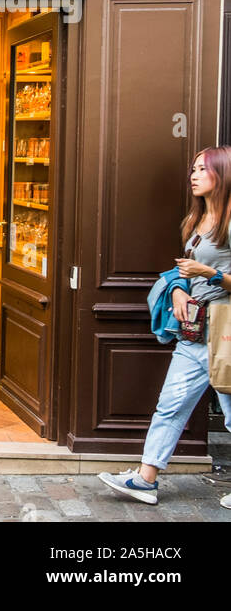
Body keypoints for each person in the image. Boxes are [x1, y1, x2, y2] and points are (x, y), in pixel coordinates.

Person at [99, 146, 231, 509]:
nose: (194, 174)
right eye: (193, 168)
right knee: (170, 405)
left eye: (203, 169)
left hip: (226, 336)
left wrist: (212, 274)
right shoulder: (195, 221)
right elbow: (183, 270)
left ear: (223, 174)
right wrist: (176, 288)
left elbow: (206, 273)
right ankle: (145, 480)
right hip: (195, 333)